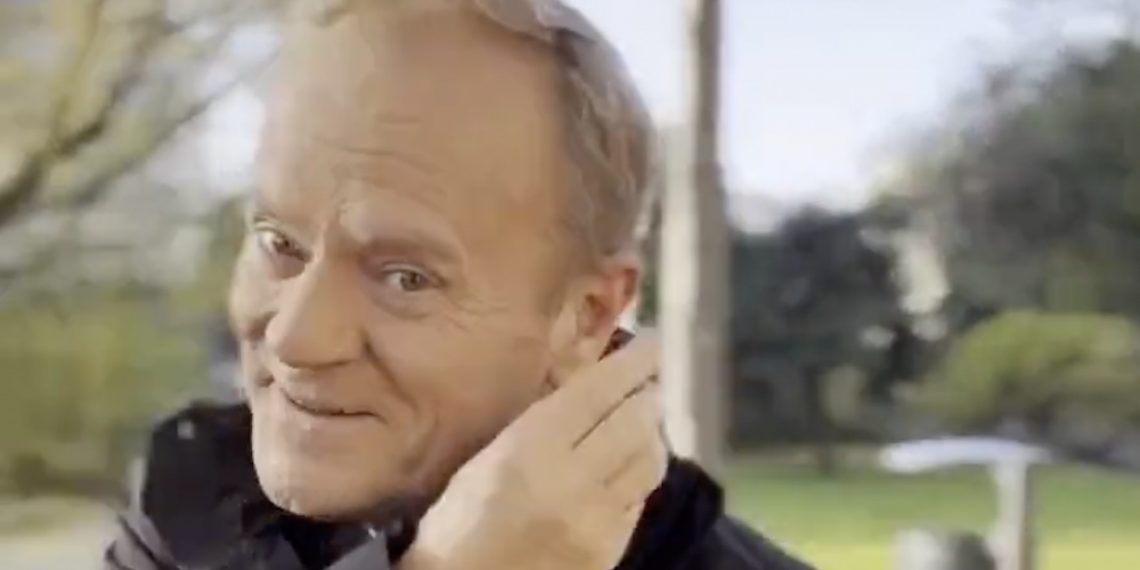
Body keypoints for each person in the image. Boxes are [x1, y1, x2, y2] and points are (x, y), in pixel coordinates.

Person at [104, 1, 814, 569]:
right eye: (278, 243)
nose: (295, 338)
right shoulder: (201, 496)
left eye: (405, 278)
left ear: (587, 316)